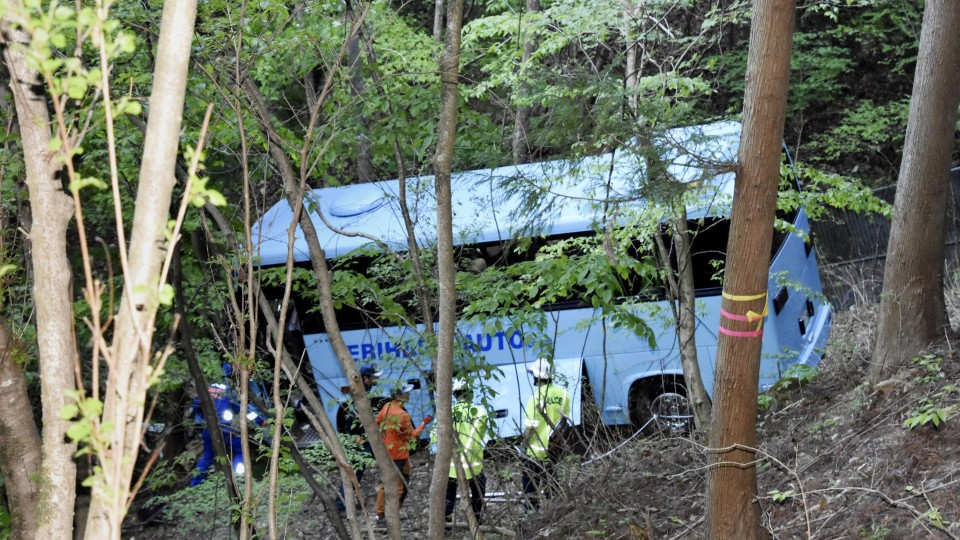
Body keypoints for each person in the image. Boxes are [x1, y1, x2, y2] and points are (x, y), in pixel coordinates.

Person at [374, 383, 432, 524]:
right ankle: (383, 516)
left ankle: (386, 513)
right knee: (395, 485)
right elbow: (412, 435)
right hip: (397, 455)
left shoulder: (387, 407)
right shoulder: (402, 415)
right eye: (406, 392)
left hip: (389, 453)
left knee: (395, 483)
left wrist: (386, 438)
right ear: (398, 395)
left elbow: (377, 423)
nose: (409, 394)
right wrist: (424, 424)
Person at [520, 357, 571, 509]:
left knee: (530, 485)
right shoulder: (563, 393)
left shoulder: (536, 398)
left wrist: (523, 446)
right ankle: (557, 509)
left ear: (537, 376)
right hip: (555, 447)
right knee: (552, 482)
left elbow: (531, 427)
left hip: (535, 451)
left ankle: (531, 513)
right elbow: (564, 420)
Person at [335, 363, 385, 511]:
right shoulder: (359, 393)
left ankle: (343, 502)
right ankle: (342, 504)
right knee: (355, 471)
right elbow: (352, 419)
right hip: (358, 440)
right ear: (365, 378)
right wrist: (358, 440)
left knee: (357, 471)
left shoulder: (365, 390)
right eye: (373, 378)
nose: (376, 381)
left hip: (361, 438)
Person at [191, 363, 247, 486]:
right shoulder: (226, 393)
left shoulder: (204, 392)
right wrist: (260, 421)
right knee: (239, 451)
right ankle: (239, 477)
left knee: (208, 455)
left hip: (209, 430)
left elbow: (196, 410)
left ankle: (195, 482)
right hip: (227, 429)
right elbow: (240, 408)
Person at [444, 378, 491, 524]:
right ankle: (476, 518)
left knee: (449, 493)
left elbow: (435, 436)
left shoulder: (447, 411)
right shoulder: (479, 412)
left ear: (455, 394)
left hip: (450, 465)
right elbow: (481, 437)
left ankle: (445, 520)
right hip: (472, 464)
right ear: (470, 393)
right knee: (478, 490)